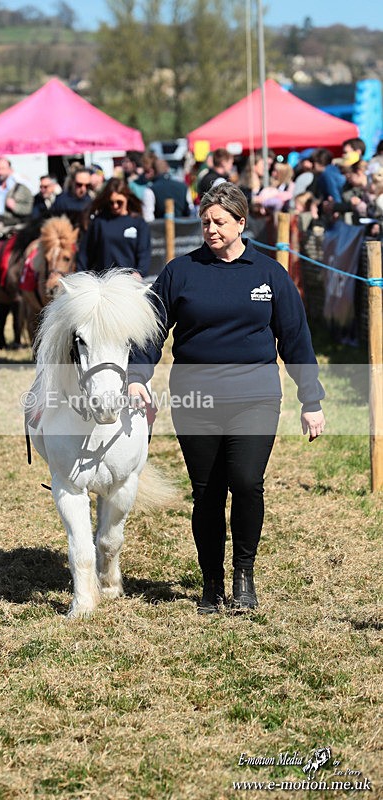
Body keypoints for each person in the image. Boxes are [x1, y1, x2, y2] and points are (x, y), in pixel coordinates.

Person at [128, 183, 325, 614]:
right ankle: (211, 583)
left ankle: (244, 576)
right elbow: (150, 331)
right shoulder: (180, 272)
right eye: (205, 223)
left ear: (241, 223)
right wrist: (137, 376)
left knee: (248, 484)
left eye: (219, 222)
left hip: (255, 396)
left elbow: (295, 338)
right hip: (195, 396)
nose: (211, 229)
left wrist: (311, 399)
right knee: (208, 492)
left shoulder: (269, 274)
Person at [77, 177, 151, 278]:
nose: (115, 206)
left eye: (119, 202)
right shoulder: (99, 222)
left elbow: (144, 253)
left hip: (129, 281)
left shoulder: (138, 223)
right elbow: (86, 252)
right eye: (111, 203)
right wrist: (81, 275)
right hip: (103, 281)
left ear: (127, 198)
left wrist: (139, 273)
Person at [0, 157, 34, 223]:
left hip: (12, 223)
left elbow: (29, 208)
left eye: (2, 168)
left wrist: (15, 206)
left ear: (10, 170)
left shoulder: (20, 187)